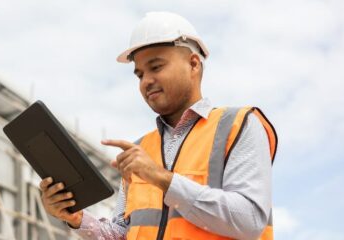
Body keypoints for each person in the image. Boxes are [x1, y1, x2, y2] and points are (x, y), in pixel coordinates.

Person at [39, 11, 277, 240]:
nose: (146, 82)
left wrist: (161, 178)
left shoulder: (239, 125)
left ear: (194, 64)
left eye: (156, 67)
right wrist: (76, 218)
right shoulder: (141, 149)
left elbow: (250, 220)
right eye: (140, 74)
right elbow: (122, 234)